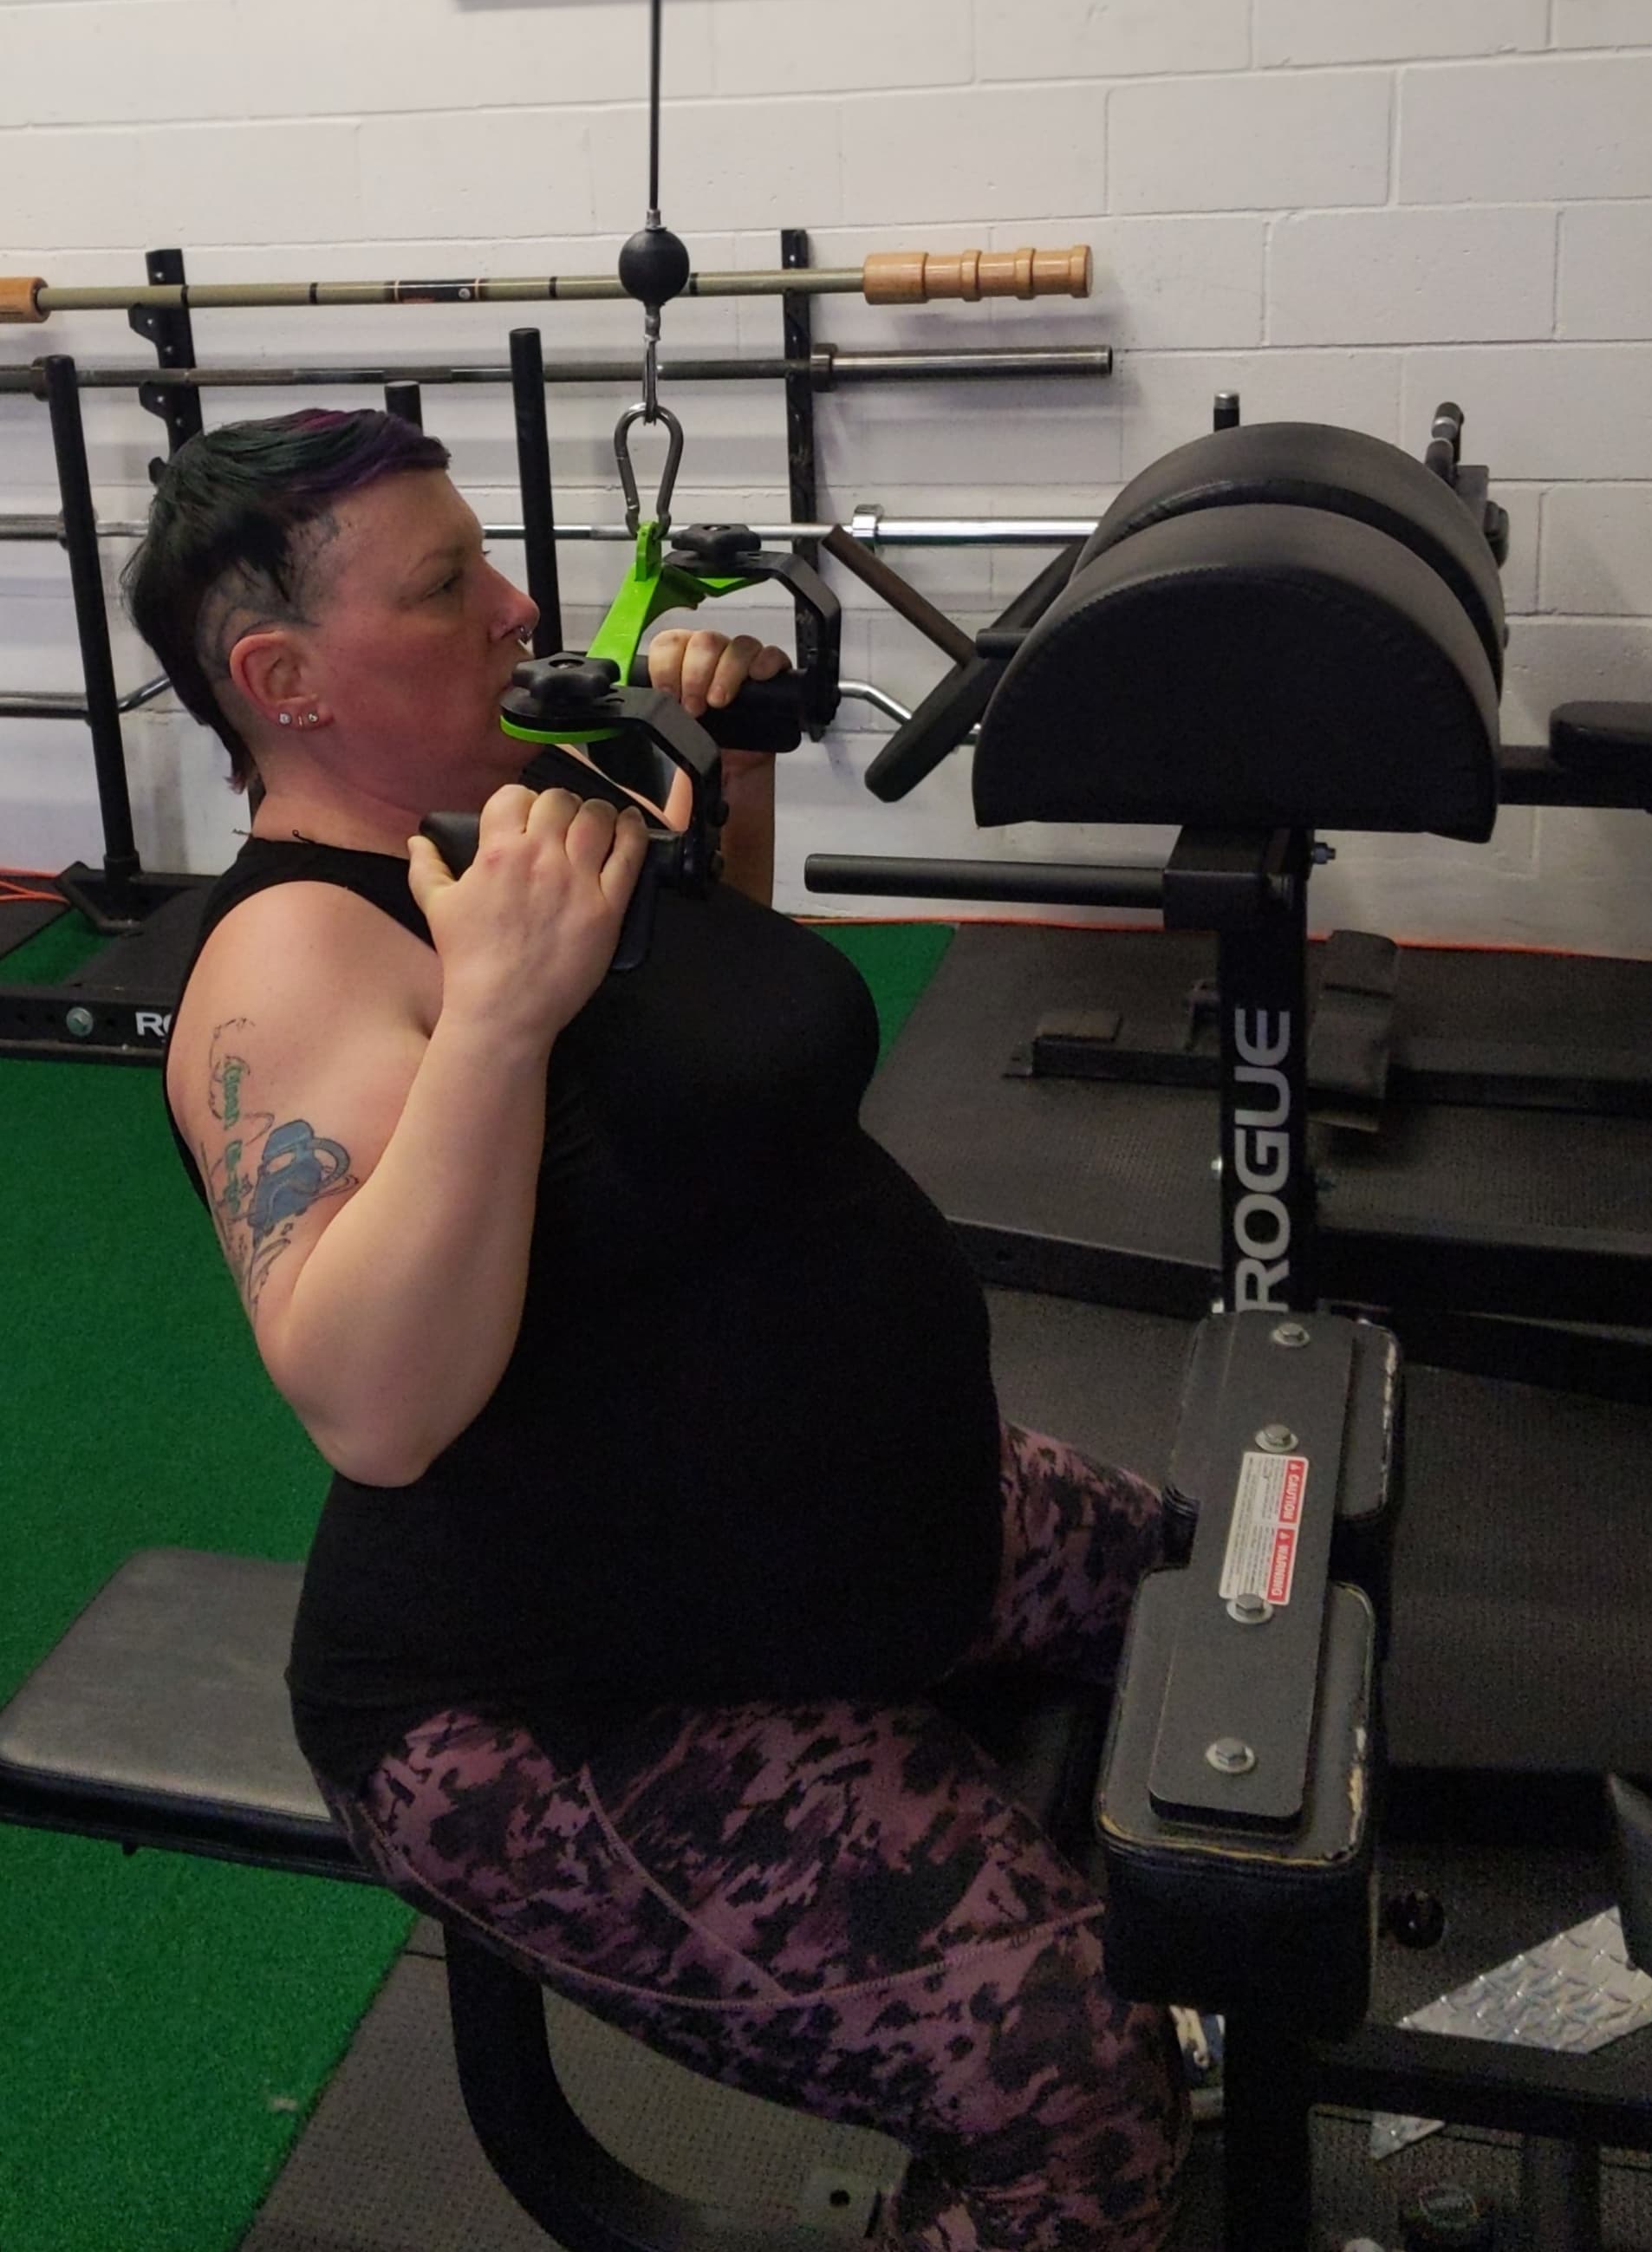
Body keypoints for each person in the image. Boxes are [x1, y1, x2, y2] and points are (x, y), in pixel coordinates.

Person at [132, 407, 1189, 2252]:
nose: (518, 606)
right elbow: (373, 1408)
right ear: (280, 677)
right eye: (449, 584)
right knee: (1081, 2083)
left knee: (1206, 1600)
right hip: (560, 1698)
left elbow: (705, 1069)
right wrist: (493, 1024)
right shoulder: (295, 965)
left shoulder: (518, 818)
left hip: (854, 1526)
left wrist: (722, 757)